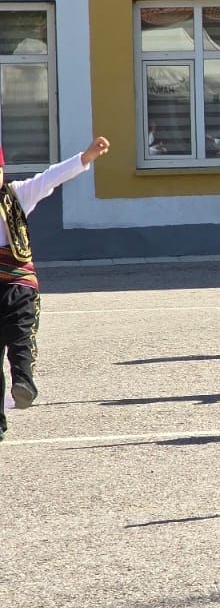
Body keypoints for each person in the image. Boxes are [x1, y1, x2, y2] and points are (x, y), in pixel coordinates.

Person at [0, 135, 111, 442]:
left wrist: (85, 157)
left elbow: (50, 177)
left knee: (20, 332)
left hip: (18, 280)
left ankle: (23, 382)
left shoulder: (16, 195)